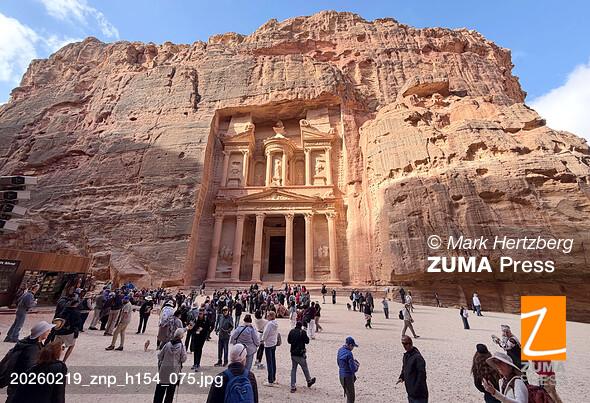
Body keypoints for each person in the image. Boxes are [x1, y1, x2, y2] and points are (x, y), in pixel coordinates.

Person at [3, 321, 55, 403]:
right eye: (48, 330)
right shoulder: (33, 349)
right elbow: (30, 368)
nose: (50, 332)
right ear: (41, 333)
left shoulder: (27, 342)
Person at [154, 328, 187, 403]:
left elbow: (159, 356)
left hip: (164, 372)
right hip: (174, 372)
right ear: (181, 336)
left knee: (159, 393)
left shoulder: (167, 344)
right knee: (170, 394)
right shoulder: (182, 346)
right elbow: (183, 359)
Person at [397, 336, 428, 403]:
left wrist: (416, 389)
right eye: (403, 344)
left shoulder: (418, 358)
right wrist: (402, 377)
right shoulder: (406, 356)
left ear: (410, 343)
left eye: (406, 344)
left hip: (419, 395)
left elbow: (422, 375)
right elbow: (404, 367)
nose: (404, 346)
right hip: (410, 393)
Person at [287, 321, 316, 393]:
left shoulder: (291, 331)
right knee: (305, 367)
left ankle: (293, 386)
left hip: (293, 353)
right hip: (300, 353)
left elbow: (289, 341)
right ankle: (309, 380)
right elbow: (307, 341)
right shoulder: (302, 332)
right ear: (301, 326)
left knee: (293, 369)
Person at [337, 336, 359, 403]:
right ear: (350, 345)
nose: (353, 348)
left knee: (348, 395)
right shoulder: (349, 354)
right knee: (351, 398)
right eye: (353, 346)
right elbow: (353, 369)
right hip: (348, 377)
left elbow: (338, 362)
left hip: (341, 376)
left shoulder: (340, 350)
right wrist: (357, 365)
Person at [261, 311, 279, 386]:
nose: (267, 316)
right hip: (273, 343)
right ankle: (273, 378)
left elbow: (265, 333)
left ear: (271, 316)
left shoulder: (269, 324)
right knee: (273, 361)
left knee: (269, 362)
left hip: (268, 344)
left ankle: (270, 380)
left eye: (268, 315)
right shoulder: (275, 323)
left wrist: (262, 339)